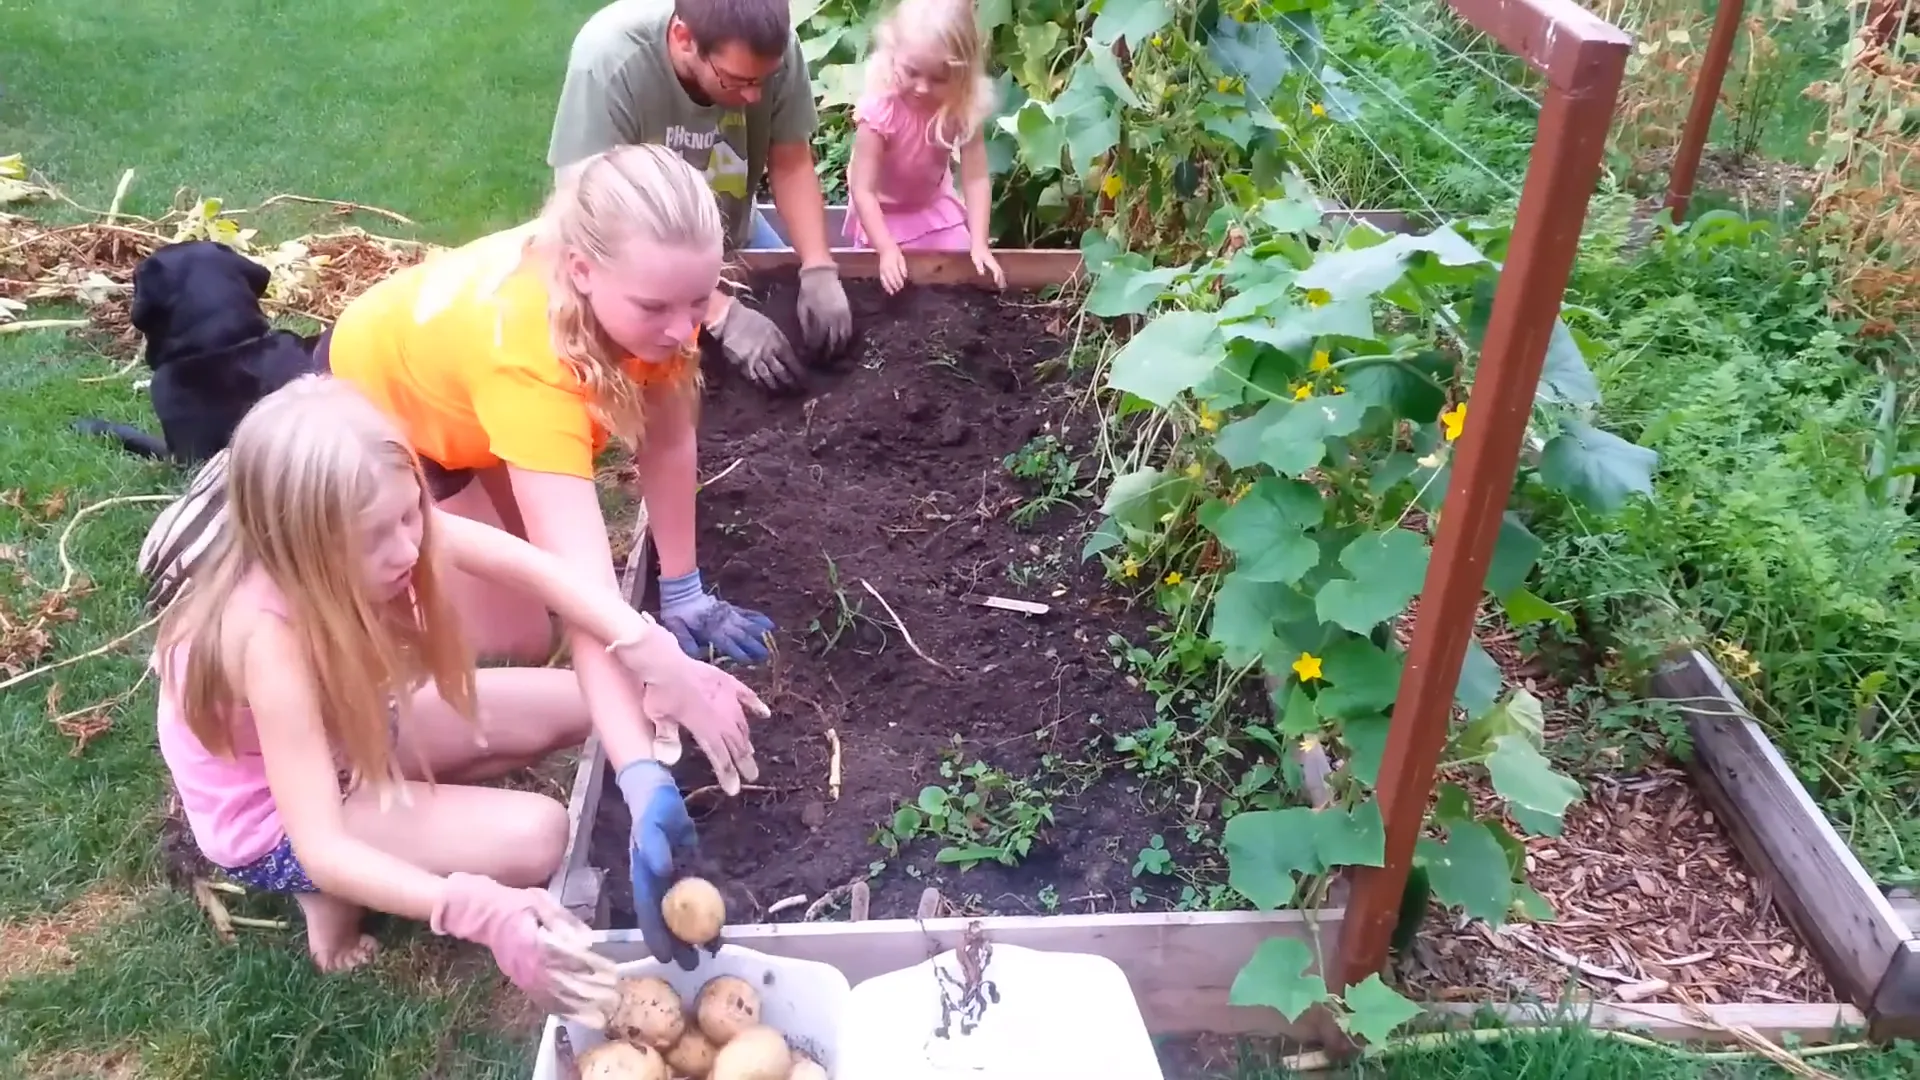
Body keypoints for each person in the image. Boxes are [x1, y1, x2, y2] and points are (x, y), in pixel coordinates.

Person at [154, 376, 756, 995]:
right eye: (373, 539)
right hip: (281, 816)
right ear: (300, 545)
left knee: (602, 700)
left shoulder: (383, 524)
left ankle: (406, 822)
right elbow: (321, 842)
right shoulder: (266, 641)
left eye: (411, 512)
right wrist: (474, 906)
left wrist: (650, 653)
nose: (408, 547)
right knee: (541, 834)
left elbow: (544, 574)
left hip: (356, 725)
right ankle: (325, 902)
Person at [318, 145, 775, 783]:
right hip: (383, 414)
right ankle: (347, 706)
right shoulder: (530, 365)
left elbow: (667, 443)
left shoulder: (659, 291)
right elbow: (583, 588)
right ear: (581, 271)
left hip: (475, 410)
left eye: (698, 302)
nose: (681, 329)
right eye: (656, 309)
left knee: (543, 618)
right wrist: (639, 768)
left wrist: (683, 592)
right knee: (515, 638)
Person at [548, 0, 854, 392]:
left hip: (733, 230)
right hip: (640, 257)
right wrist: (720, 312)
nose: (754, 97)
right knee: (661, 380)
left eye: (764, 80)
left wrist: (818, 267)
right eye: (736, 80)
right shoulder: (609, 61)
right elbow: (589, 217)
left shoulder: (770, 49)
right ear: (683, 38)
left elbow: (791, 163)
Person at [846, 0, 1005, 296]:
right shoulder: (881, 111)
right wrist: (886, 249)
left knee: (957, 276)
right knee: (883, 288)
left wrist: (979, 242)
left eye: (938, 79)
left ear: (963, 73)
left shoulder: (961, 107)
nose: (921, 87)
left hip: (932, 206)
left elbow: (976, 178)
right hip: (881, 213)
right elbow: (863, 190)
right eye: (912, 72)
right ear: (894, 57)